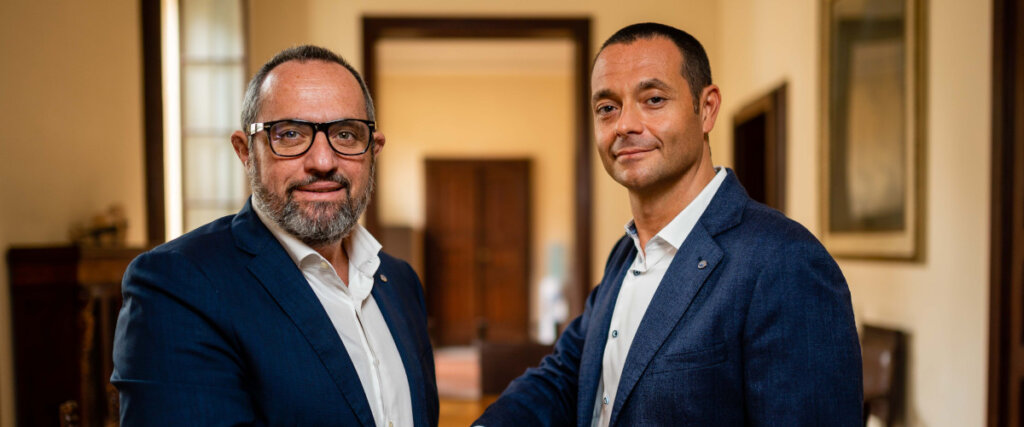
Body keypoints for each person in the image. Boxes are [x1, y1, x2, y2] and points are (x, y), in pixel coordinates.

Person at [475, 23, 862, 426]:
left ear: (706, 108)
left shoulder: (785, 261)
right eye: (607, 108)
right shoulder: (625, 254)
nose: (625, 124)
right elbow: (566, 377)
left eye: (654, 99)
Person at [112, 45, 439, 426]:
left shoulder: (399, 282)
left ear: (373, 150)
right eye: (290, 134)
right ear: (245, 151)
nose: (323, 162)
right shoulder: (176, 285)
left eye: (346, 134)